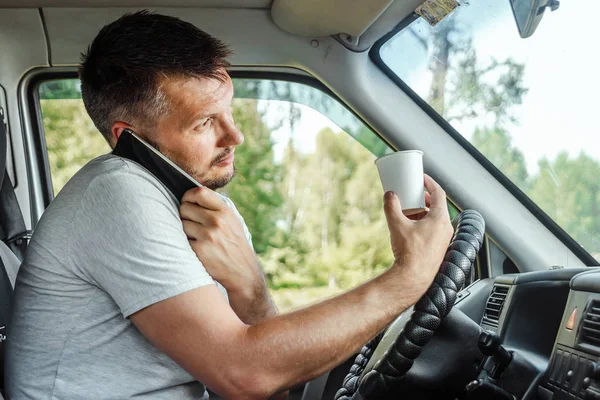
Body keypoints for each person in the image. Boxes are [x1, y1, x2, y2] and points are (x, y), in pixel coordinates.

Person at [5, 10, 453, 400]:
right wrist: (409, 275)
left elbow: (269, 387)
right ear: (129, 138)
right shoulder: (116, 193)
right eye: (204, 122)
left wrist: (252, 290)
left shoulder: (203, 210)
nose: (235, 136)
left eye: (229, 112)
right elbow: (246, 376)